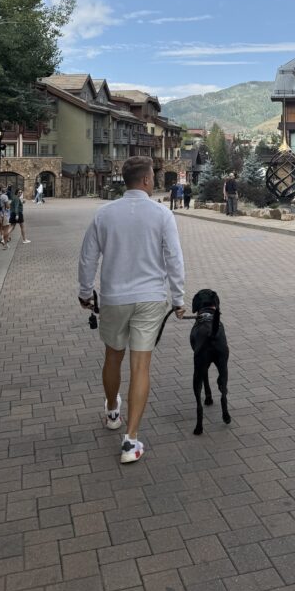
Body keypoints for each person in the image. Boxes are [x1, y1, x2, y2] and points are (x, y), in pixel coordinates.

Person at [78, 156, 186, 464]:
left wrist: (85, 292)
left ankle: (112, 410)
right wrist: (178, 299)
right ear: (147, 180)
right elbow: (174, 260)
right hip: (151, 297)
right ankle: (131, 439)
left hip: (114, 296)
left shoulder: (104, 214)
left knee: (113, 356)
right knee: (141, 366)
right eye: (153, 176)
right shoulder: (162, 214)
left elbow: (88, 258)